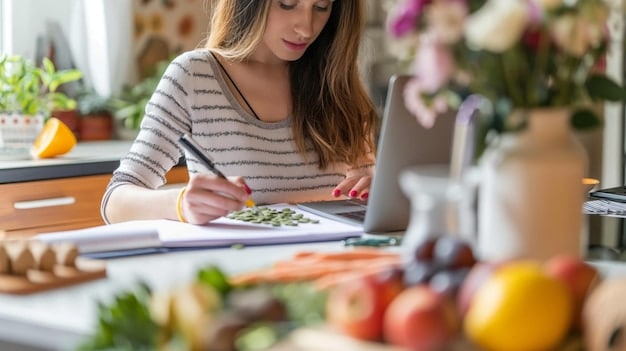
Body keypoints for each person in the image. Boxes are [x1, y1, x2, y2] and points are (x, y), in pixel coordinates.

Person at [101, 0, 378, 225]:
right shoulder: (195, 76)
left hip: (335, 272)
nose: (306, 28)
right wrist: (181, 204)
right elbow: (115, 201)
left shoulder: (339, 84)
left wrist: (376, 185)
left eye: (321, 7)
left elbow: (367, 187)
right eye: (287, 3)